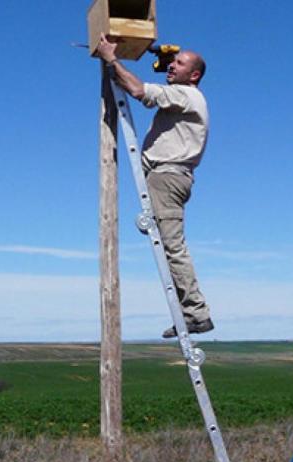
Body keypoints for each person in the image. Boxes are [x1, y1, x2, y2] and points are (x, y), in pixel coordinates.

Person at [97, 35, 214, 338]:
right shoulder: (183, 95)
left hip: (167, 176)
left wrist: (112, 59)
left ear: (195, 75)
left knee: (172, 246)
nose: (171, 66)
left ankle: (196, 313)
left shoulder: (186, 96)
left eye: (179, 64)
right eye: (172, 62)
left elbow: (138, 90)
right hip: (168, 176)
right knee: (169, 244)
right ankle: (192, 312)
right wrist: (159, 56)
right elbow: (161, 80)